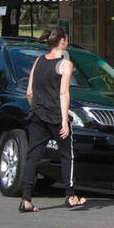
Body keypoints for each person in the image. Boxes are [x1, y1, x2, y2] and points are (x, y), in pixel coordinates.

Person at [18, 28, 86, 212]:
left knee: (33, 155)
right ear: (62, 41)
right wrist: (64, 120)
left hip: (37, 114)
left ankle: (26, 199)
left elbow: (29, 92)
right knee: (66, 154)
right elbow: (64, 92)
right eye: (67, 40)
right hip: (56, 115)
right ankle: (70, 195)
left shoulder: (38, 61)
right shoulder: (65, 63)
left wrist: (36, 108)